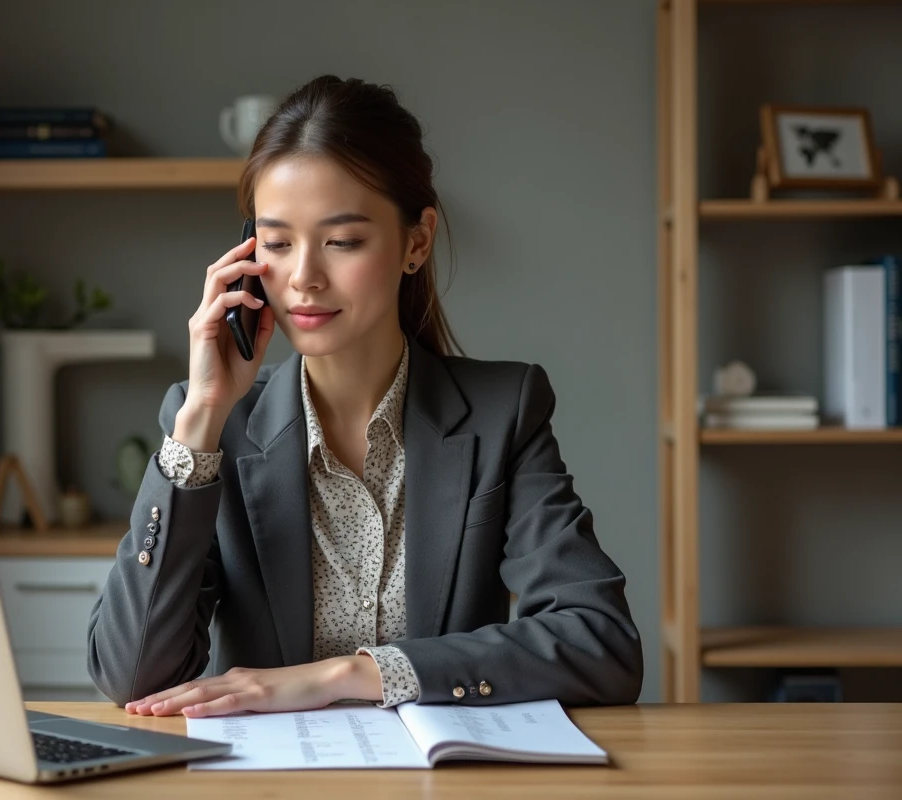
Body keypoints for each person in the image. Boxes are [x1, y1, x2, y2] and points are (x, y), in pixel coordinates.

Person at [87, 74, 642, 719]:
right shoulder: (214, 427)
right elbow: (130, 677)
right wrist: (201, 423)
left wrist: (352, 674)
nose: (303, 278)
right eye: (277, 243)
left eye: (342, 241)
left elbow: (602, 643)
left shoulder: (503, 413)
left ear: (416, 241)